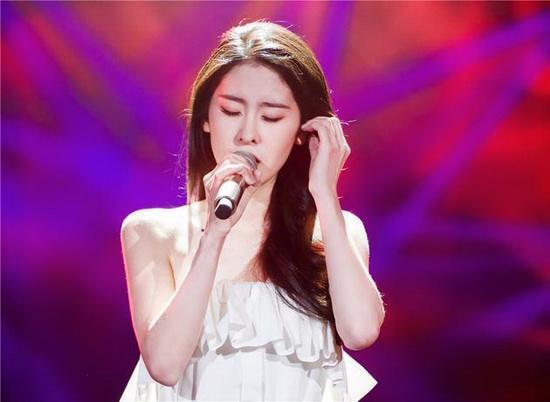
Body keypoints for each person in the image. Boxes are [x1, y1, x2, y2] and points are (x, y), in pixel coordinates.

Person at [119, 19, 385, 402]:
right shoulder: (153, 232)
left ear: (303, 131)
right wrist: (215, 234)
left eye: (271, 117)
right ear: (206, 119)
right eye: (231, 111)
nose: (248, 134)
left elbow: (360, 332)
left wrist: (325, 195)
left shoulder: (335, 231)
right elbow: (164, 364)